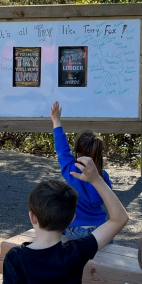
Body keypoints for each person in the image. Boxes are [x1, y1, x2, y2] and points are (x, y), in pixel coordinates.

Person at [0, 157, 129, 284]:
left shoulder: (15, 257)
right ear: (71, 219)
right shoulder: (77, 251)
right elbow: (120, 218)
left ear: (32, 217)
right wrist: (95, 179)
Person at [50, 101, 112, 240]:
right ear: (98, 154)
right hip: (100, 229)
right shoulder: (103, 176)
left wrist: (56, 121)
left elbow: (62, 148)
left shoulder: (71, 170)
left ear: (77, 153)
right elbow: (110, 202)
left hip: (75, 229)